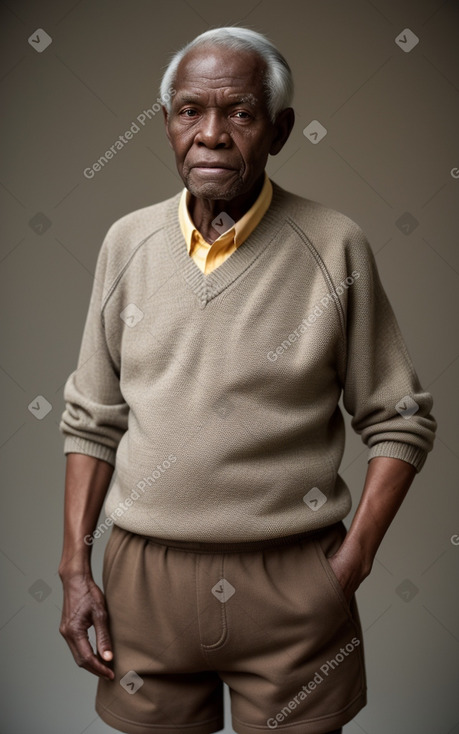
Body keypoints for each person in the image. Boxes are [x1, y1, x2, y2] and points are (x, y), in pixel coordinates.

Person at [58, 26, 437, 734]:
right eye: (187, 110)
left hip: (292, 577)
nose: (209, 135)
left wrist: (347, 566)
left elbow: (399, 418)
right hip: (144, 581)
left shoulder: (333, 244)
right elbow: (91, 419)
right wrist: (75, 572)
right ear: (167, 123)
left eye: (238, 112)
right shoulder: (125, 244)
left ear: (279, 130)